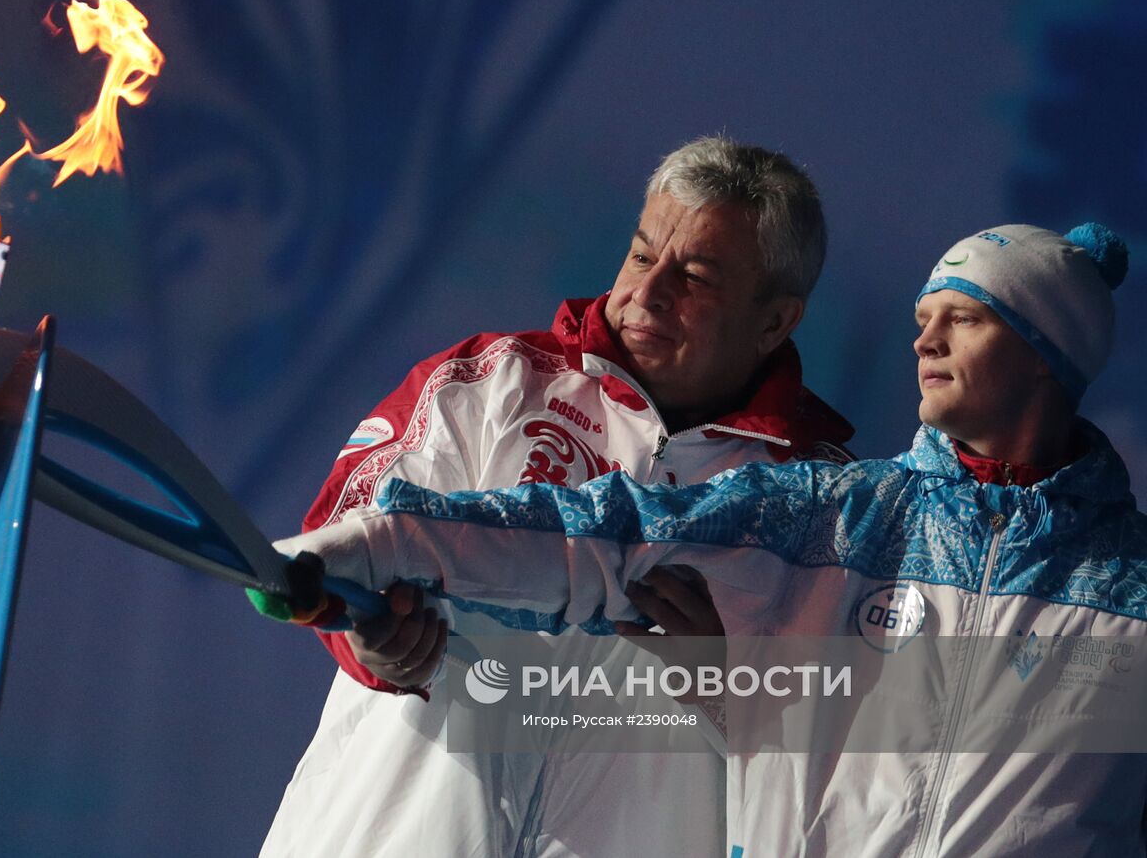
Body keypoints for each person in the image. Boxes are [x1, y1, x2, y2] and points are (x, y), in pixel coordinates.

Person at [282, 221, 1147, 855]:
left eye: (968, 317)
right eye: (639, 249)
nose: (925, 338)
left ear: (1045, 353)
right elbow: (592, 531)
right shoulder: (833, 514)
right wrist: (363, 547)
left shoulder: (1129, 593)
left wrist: (727, 687)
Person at [260, 136, 855, 857]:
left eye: (695, 276)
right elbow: (341, 535)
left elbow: (860, 762)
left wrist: (736, 692)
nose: (648, 291)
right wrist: (373, 638)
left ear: (774, 321)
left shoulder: (827, 505)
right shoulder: (490, 381)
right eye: (641, 254)